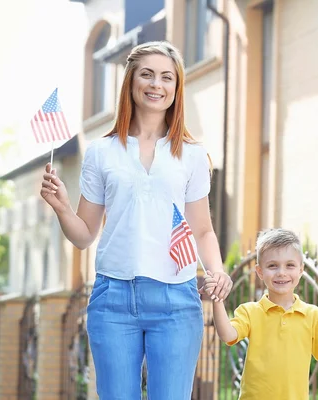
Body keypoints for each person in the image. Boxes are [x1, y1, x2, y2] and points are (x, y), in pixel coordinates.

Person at [39, 41, 233, 399]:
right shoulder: (101, 152)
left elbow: (202, 229)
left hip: (176, 298)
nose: (156, 84)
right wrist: (63, 209)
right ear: (130, 82)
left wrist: (217, 270)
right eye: (147, 74)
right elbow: (84, 235)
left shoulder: (191, 155)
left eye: (166, 77)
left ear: (176, 88)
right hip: (113, 298)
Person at [202, 228, 318, 399]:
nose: (281, 273)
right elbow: (227, 335)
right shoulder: (249, 311)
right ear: (260, 272)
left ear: (301, 270)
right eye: (272, 266)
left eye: (290, 265)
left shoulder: (313, 316)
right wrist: (217, 299)